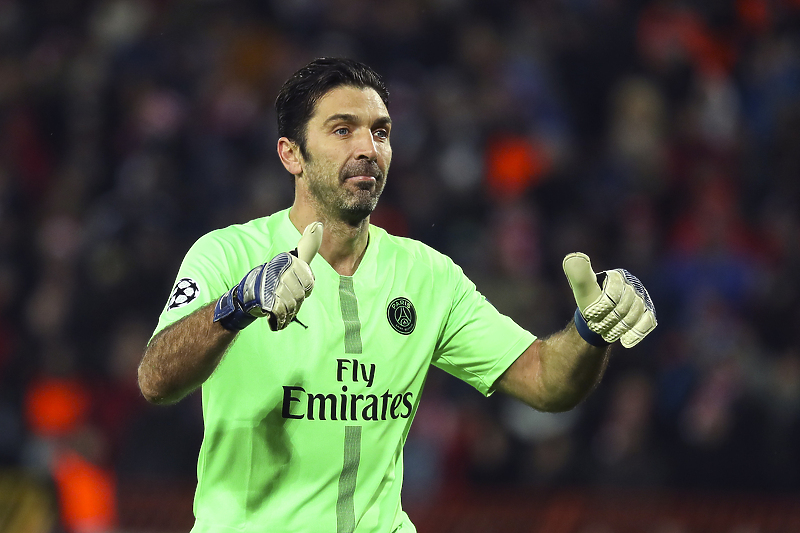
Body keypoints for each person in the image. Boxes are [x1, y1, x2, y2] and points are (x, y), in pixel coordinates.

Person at [137, 57, 657, 533]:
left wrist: (592, 329)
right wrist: (239, 303)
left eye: (380, 132)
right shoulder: (227, 254)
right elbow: (156, 379)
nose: (368, 148)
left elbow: (547, 381)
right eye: (342, 130)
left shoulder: (427, 275)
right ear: (291, 154)